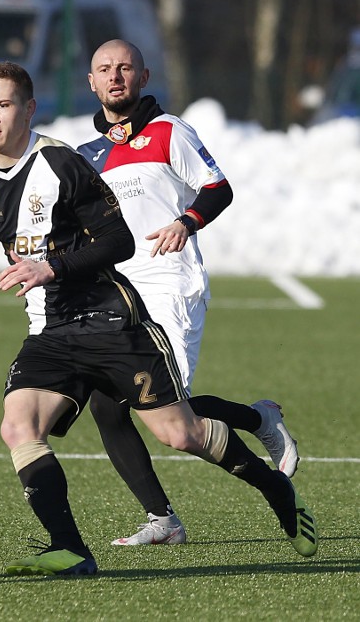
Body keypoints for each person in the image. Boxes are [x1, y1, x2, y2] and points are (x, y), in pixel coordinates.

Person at [0, 61, 317, 577]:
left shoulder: (62, 164)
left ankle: (273, 486)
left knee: (181, 434)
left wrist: (52, 265)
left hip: (113, 321)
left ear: (29, 109)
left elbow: (119, 242)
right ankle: (70, 548)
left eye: (3, 105)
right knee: (19, 426)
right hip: (50, 331)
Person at [76, 39, 300, 546]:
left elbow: (218, 187)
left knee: (169, 409)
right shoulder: (87, 154)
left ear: (144, 77)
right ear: (90, 82)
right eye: (104, 70)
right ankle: (163, 520)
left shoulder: (168, 131)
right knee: (108, 404)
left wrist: (186, 221)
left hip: (171, 282)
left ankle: (259, 418)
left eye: (125, 68)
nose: (115, 77)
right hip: (120, 293)